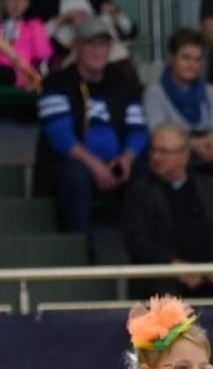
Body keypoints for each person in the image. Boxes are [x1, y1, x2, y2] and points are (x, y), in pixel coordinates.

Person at [35, 17, 145, 236]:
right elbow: (60, 137)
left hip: (115, 161)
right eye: (90, 44)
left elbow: (138, 129)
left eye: (102, 44)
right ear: (76, 48)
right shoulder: (56, 82)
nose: (97, 51)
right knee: (74, 175)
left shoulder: (123, 82)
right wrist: (96, 166)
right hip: (73, 163)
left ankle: (142, 247)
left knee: (148, 169)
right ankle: (81, 249)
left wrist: (126, 159)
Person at [120, 124, 213, 299]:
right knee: (163, 293)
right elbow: (137, 240)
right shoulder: (139, 191)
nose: (156, 157)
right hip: (165, 274)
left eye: (164, 152)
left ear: (184, 155)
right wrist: (172, 264)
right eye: (153, 150)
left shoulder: (211, 187)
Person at [142, 28, 213, 177]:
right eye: (186, 58)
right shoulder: (155, 92)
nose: (192, 65)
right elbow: (157, 131)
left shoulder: (211, 91)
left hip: (211, 152)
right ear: (171, 58)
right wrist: (195, 145)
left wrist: (211, 144)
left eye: (197, 59)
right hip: (173, 153)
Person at [0, 0, 50, 91]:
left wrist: (39, 79)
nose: (16, 4)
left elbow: (43, 61)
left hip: (19, 77)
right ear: (3, 0)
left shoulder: (34, 25)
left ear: (28, 3)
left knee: (7, 72)